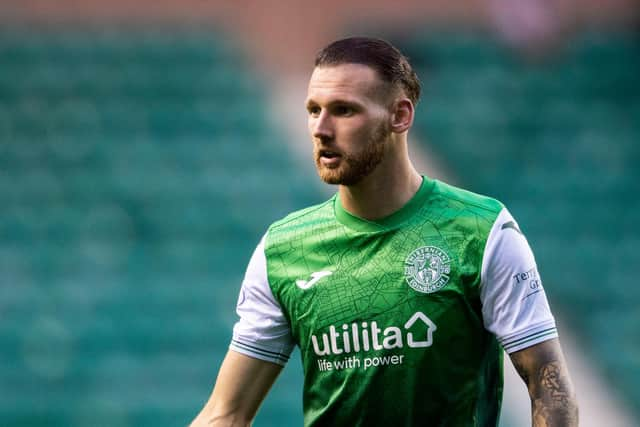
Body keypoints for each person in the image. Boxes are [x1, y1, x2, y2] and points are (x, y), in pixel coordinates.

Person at [191, 37, 578, 426]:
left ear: (400, 116)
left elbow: (549, 388)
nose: (321, 129)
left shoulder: (481, 230)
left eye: (344, 111)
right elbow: (226, 413)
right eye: (313, 110)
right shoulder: (283, 249)